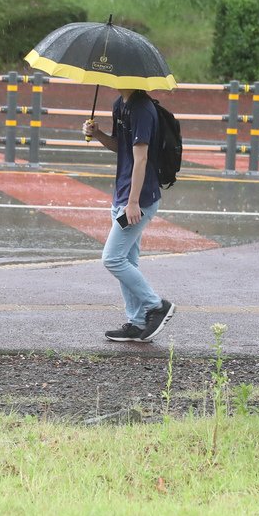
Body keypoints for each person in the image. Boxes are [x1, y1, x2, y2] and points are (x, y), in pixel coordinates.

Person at [82, 88, 176, 343]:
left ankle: (156, 306)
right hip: (123, 194)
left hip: (139, 199)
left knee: (112, 259)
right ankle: (136, 323)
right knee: (128, 262)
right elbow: (121, 146)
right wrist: (99, 134)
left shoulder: (143, 110)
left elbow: (142, 158)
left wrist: (133, 202)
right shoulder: (119, 104)